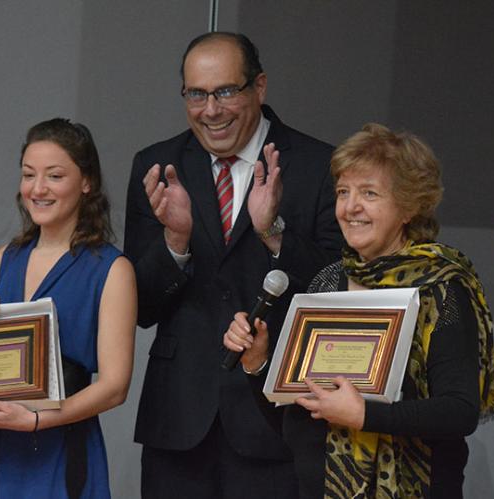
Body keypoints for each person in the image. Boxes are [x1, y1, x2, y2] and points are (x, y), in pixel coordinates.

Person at [224, 123, 494, 498]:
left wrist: (364, 416)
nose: (350, 207)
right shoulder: (328, 281)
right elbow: (291, 422)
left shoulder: (441, 288)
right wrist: (258, 366)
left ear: (409, 205)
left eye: (369, 193)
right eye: (342, 192)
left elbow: (459, 412)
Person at [124, 32, 342, 498]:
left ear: (259, 87)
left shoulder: (318, 164)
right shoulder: (158, 165)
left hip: (276, 420)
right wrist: (175, 240)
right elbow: (139, 307)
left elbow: (335, 290)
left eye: (225, 91)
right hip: (178, 421)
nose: (211, 110)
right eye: (196, 94)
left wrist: (274, 231)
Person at [0, 118, 136, 498]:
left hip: (60, 445)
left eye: (54, 176)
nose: (37, 189)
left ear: (86, 182)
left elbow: (115, 387)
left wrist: (37, 420)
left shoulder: (111, 269)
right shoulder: (6, 256)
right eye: (28, 175)